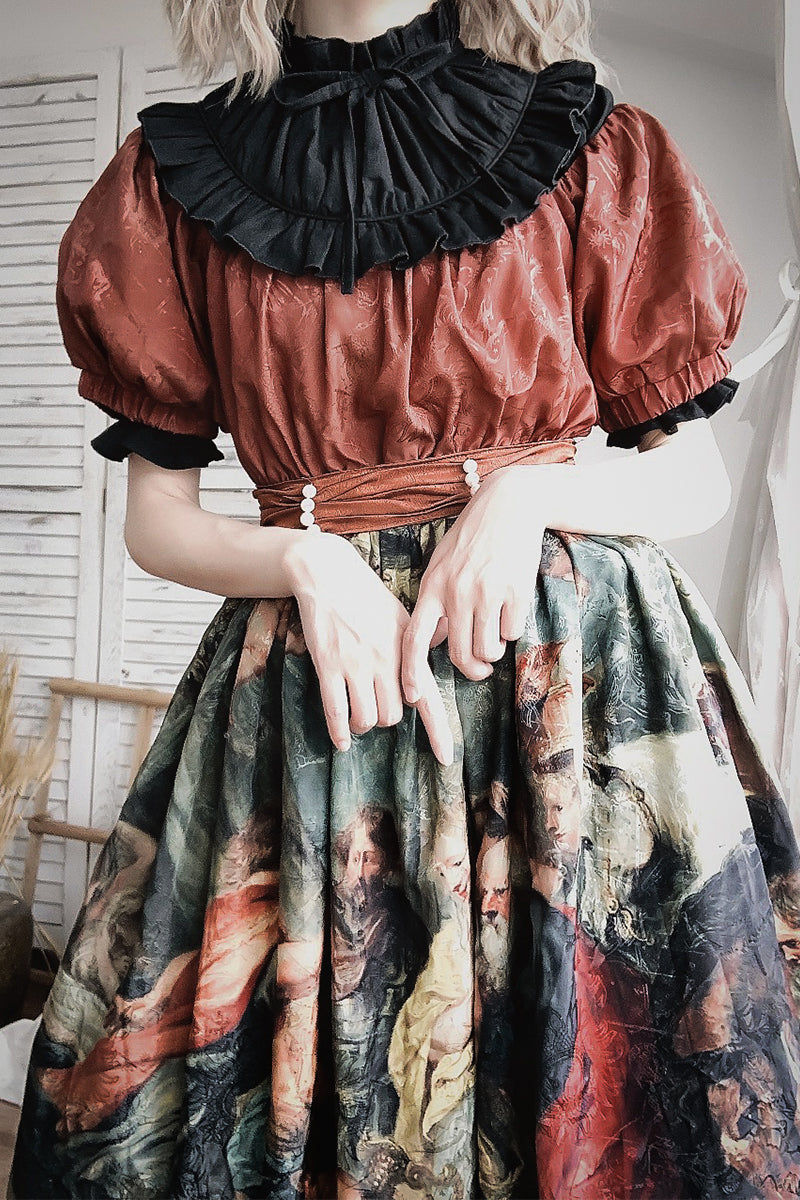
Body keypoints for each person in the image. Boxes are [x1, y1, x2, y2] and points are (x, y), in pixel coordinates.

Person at [10, 0, 800, 1195]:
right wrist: (301, 561)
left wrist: (528, 494)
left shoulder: (588, 142)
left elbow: (693, 475)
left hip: (570, 687)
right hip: (318, 695)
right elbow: (155, 520)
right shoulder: (173, 181)